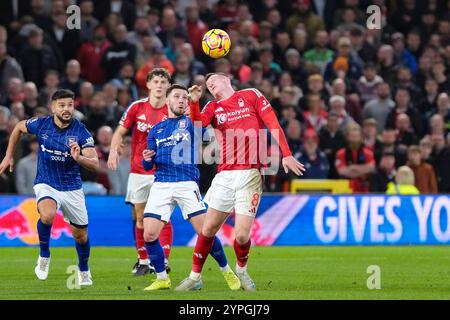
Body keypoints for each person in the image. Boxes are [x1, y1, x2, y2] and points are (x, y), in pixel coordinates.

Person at [175, 73, 305, 291]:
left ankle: (242, 271)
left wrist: (287, 154)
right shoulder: (211, 107)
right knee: (207, 230)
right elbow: (196, 129)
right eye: (208, 84)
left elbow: (272, 122)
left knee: (242, 234)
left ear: (227, 79)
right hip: (225, 175)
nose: (211, 84)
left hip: (250, 174)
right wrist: (195, 103)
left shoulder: (251, 95)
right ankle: (195, 277)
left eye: (214, 80)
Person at [140, 84, 240, 291]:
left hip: (186, 183)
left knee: (205, 233)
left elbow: (201, 127)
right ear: (167, 101)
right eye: (177, 96)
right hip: (161, 183)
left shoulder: (191, 123)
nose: (181, 100)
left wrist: (195, 102)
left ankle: (227, 271)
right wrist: (147, 160)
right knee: (148, 234)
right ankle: (162, 278)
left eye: (184, 98)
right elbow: (148, 164)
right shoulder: (156, 130)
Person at [0, 89, 99, 285]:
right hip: (47, 183)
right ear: (53, 107)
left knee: (80, 236)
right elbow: (19, 127)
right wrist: (8, 155)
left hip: (72, 188)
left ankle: (84, 269)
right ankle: (44, 256)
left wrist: (79, 158)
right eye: (62, 105)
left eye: (69, 105)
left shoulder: (80, 131)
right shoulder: (42, 124)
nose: (66, 109)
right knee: (47, 215)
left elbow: (95, 163)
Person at [107, 68, 173, 276]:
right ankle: (143, 260)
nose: (160, 85)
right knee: (140, 217)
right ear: (148, 85)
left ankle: (164, 260)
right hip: (138, 170)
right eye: (156, 81)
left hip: (163, 171)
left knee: (163, 217)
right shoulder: (137, 107)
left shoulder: (173, 110)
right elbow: (120, 131)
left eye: (164, 82)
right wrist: (112, 151)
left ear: (168, 86)